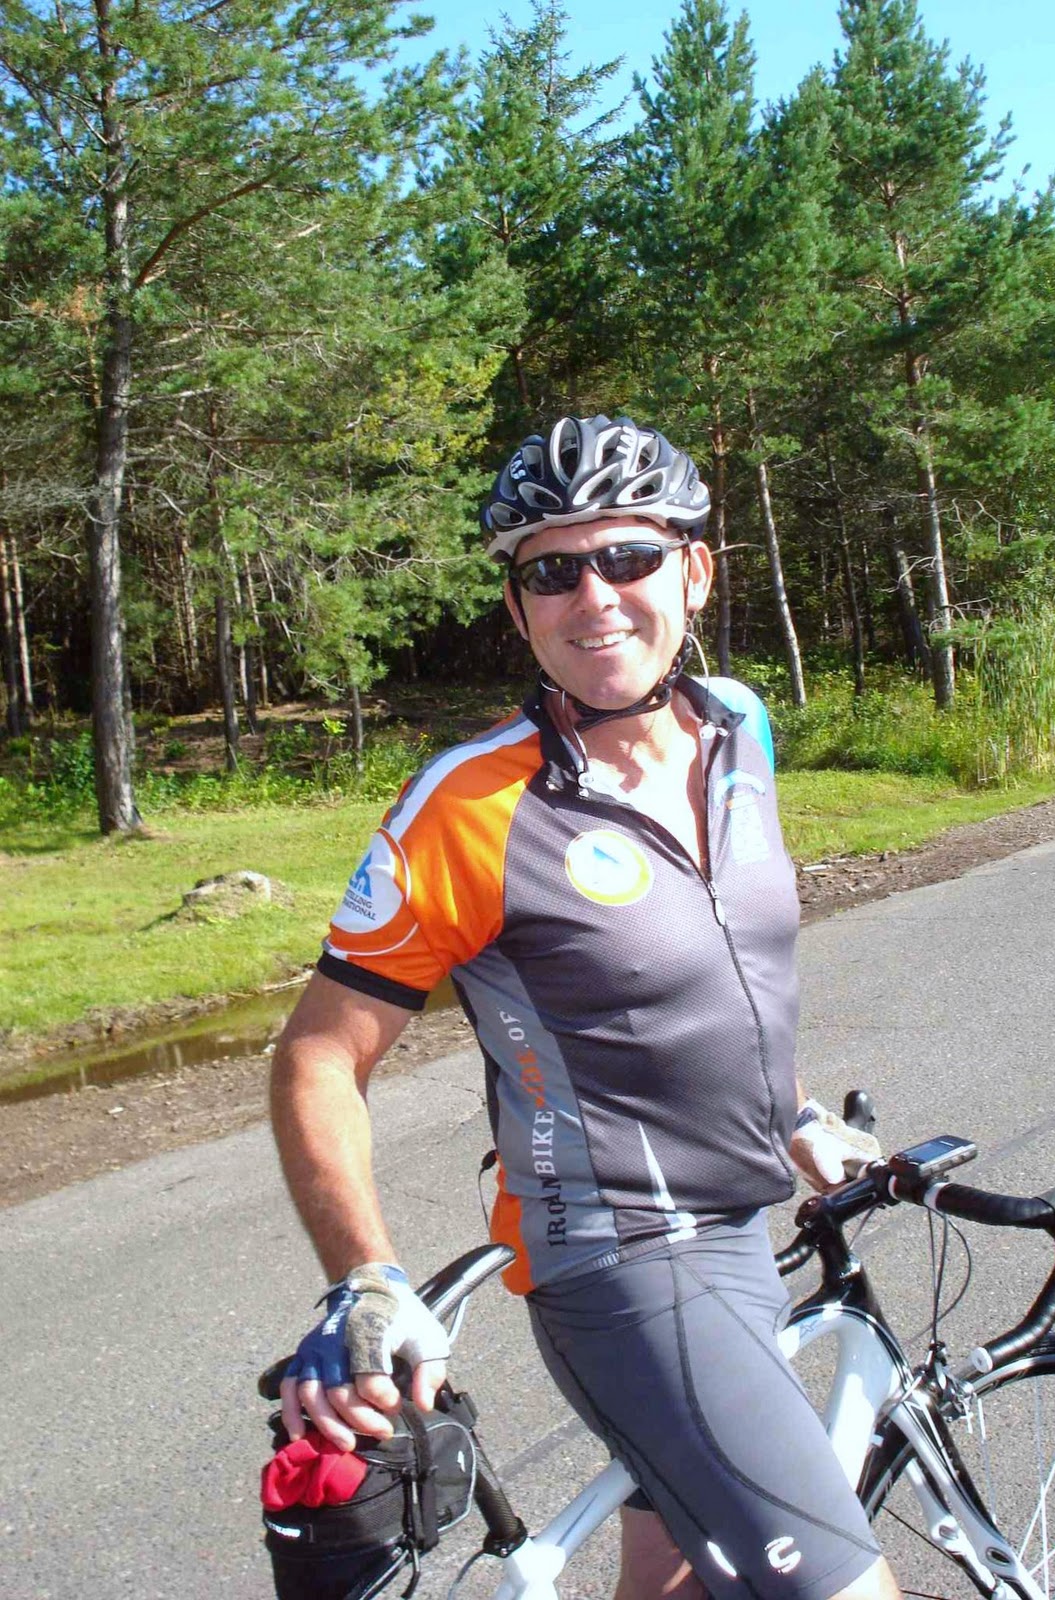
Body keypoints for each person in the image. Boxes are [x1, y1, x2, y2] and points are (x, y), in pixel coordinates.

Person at [270, 414, 900, 1600]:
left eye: (627, 557)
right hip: (621, 1262)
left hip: (738, 1227)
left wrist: (795, 1113)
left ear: (695, 572)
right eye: (552, 571)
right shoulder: (469, 808)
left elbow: (719, 973)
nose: (593, 596)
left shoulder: (739, 726)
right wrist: (365, 1274)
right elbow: (316, 1056)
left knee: (669, 1579)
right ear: (518, 609)